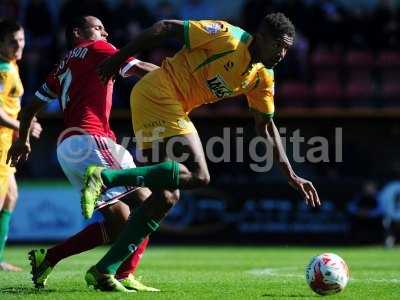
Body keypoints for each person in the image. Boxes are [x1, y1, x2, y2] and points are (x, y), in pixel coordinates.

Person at [77, 13, 321, 291]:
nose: (282, 54)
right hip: (160, 91)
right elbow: (164, 27)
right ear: (261, 37)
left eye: (287, 48)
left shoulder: (262, 77)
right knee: (200, 175)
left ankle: (104, 270)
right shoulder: (227, 36)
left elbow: (265, 125)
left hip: (164, 104)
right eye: (279, 45)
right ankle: (104, 177)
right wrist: (119, 58)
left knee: (166, 196)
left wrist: (291, 174)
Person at [8, 16, 159, 291]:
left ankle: (49, 257)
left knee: (119, 222)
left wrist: (23, 140)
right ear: (79, 32)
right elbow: (140, 69)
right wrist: (177, 81)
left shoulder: (63, 63)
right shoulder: (99, 48)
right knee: (152, 203)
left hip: (69, 147)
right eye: (98, 27)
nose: (105, 31)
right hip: (92, 141)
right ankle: (122, 274)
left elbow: (29, 109)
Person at [0, 19, 42, 272]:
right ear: (1, 43)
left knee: (10, 198)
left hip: (6, 144)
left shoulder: (12, 66)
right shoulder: (3, 71)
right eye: (13, 41)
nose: (19, 45)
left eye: (22, 39)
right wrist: (21, 126)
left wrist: (23, 119)